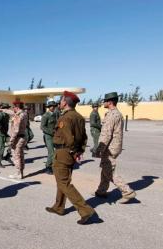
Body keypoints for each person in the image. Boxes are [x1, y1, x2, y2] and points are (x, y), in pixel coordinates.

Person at [45, 91, 96, 225]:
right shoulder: (78, 116)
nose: (59, 103)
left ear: (65, 102)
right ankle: (59, 207)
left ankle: (85, 210)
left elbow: (69, 138)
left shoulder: (65, 118)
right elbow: (83, 137)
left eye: (61, 100)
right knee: (62, 181)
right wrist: (79, 151)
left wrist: (74, 151)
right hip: (71, 153)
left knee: (64, 183)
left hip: (63, 153)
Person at [94, 92, 136, 203]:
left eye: (105, 101)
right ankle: (101, 190)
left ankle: (128, 192)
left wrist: (99, 149)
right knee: (105, 167)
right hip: (114, 146)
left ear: (110, 102)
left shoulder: (112, 115)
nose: (103, 103)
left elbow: (107, 134)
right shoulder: (117, 113)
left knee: (109, 171)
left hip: (109, 147)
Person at [8, 100, 28, 179]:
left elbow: (16, 130)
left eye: (14, 107)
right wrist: (2, 110)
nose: (13, 109)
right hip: (22, 136)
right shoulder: (24, 113)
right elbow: (10, 112)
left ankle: (18, 173)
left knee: (16, 156)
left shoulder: (18, 116)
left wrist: (11, 140)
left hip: (18, 138)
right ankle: (21, 172)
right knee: (21, 155)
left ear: (16, 107)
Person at [40, 101, 58, 174]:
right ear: (48, 107)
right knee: (51, 152)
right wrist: (51, 132)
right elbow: (42, 127)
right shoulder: (45, 115)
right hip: (48, 136)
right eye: (51, 106)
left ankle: (53, 165)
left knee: (55, 152)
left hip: (55, 136)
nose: (53, 107)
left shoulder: (55, 114)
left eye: (54, 106)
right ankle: (48, 167)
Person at [0, 103, 10, 168]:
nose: (8, 109)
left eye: (8, 108)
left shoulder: (7, 115)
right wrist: (0, 129)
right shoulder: (0, 115)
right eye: (6, 108)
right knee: (2, 148)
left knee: (12, 143)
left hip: (5, 133)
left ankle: (7, 156)